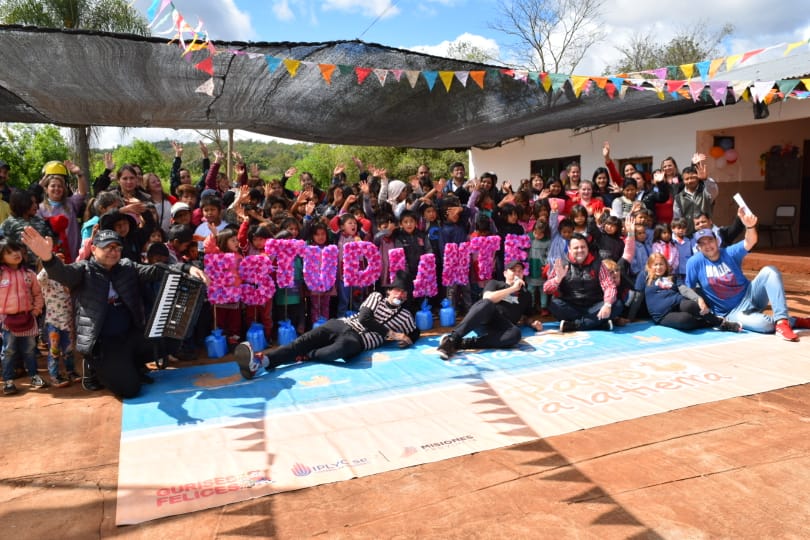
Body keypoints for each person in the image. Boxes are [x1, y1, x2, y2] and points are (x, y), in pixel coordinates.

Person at [21, 226, 208, 398]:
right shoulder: (83, 270)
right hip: (103, 344)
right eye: (108, 247)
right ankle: (97, 369)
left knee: (172, 337)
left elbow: (156, 270)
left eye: (117, 248)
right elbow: (62, 274)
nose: (114, 252)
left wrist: (186, 267)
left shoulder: (127, 266)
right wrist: (48, 258)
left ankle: (132, 365)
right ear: (93, 249)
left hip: (131, 334)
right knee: (130, 390)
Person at [236, 271, 419, 379]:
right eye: (398, 290)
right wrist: (394, 334)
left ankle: (303, 356)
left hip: (357, 340)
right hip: (343, 325)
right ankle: (260, 362)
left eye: (405, 293)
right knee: (301, 342)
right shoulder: (376, 297)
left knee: (337, 350)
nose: (400, 295)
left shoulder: (405, 316)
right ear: (389, 291)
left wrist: (410, 338)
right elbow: (364, 319)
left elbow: (415, 331)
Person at [685, 209, 810, 341]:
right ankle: (795, 321)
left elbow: (750, 241)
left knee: (770, 271)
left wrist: (750, 226)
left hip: (751, 295)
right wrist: (698, 300)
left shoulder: (729, 253)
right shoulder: (694, 263)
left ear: (717, 241)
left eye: (710, 241)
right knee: (765, 325)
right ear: (698, 247)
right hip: (732, 312)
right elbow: (689, 288)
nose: (707, 245)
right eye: (702, 243)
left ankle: (782, 321)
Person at [436, 260, 543, 360]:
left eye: (520, 271)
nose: (517, 273)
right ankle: (452, 339)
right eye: (513, 270)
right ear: (505, 273)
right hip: (484, 319)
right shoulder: (495, 283)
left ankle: (462, 343)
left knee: (516, 334)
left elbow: (526, 316)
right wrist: (513, 288)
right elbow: (488, 297)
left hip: (503, 327)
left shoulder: (526, 295)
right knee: (487, 303)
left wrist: (532, 323)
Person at [641, 253, 740, 333]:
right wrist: (629, 317)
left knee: (692, 305)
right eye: (656, 264)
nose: (659, 267)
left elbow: (684, 289)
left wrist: (698, 299)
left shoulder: (673, 277)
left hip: (678, 302)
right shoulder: (644, 276)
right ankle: (708, 322)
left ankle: (720, 322)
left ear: (666, 266)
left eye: (661, 264)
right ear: (650, 266)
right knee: (685, 320)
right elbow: (637, 295)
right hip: (663, 314)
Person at [543, 233, 617, 332]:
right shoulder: (562, 264)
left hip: (594, 306)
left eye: (583, 247)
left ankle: (574, 325)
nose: (580, 250)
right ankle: (598, 323)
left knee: (616, 304)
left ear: (587, 248)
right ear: (569, 249)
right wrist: (558, 279)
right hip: (571, 306)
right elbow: (546, 289)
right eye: (576, 248)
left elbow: (609, 286)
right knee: (553, 304)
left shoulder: (598, 263)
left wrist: (607, 304)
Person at [1, 239, 46, 395]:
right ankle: (8, 381)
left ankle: (34, 376)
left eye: (17, 250)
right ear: (1, 257)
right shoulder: (1, 274)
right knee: (8, 351)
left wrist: (36, 310)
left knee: (30, 350)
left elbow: (38, 294)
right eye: (9, 252)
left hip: (28, 318)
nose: (15, 254)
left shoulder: (29, 274)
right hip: (7, 320)